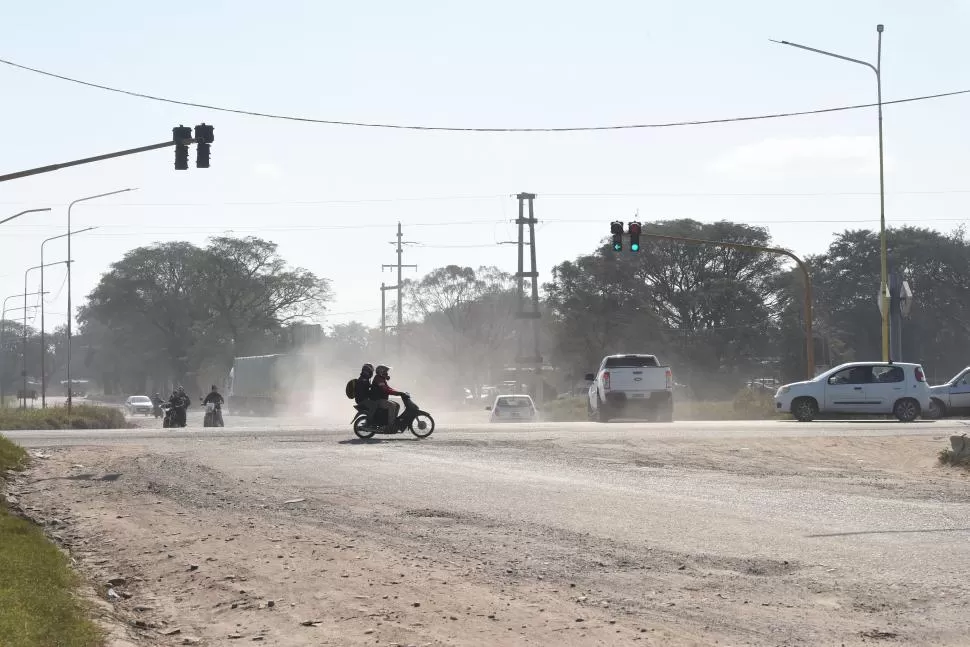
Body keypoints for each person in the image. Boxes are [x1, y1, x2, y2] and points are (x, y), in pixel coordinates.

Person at [369, 365, 404, 429]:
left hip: (381, 399)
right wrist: (397, 393)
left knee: (397, 405)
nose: (387, 373)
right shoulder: (378, 379)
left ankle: (393, 421)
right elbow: (385, 389)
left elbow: (388, 388)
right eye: (385, 371)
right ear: (381, 372)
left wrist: (399, 392)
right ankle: (390, 425)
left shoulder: (382, 379)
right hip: (377, 400)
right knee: (392, 406)